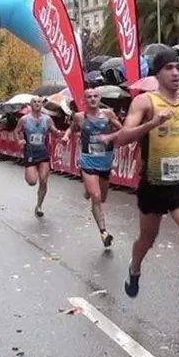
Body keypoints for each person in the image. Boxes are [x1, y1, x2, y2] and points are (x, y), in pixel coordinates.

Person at [113, 50, 179, 332]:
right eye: (169, 67)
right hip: (153, 184)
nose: (175, 72)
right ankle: (134, 268)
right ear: (157, 73)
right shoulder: (145, 102)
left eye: (178, 67)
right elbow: (123, 137)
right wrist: (151, 123)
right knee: (147, 239)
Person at [63, 88, 123, 247]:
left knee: (102, 198)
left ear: (99, 98)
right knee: (96, 196)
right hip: (88, 161)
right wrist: (66, 136)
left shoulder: (108, 115)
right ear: (84, 100)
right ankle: (104, 232)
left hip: (105, 162)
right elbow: (71, 129)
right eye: (89, 97)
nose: (93, 99)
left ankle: (88, 190)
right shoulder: (80, 117)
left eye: (95, 96)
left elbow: (122, 130)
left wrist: (112, 137)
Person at [13, 97, 61, 217]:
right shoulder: (24, 119)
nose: (37, 104)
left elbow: (53, 130)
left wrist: (58, 133)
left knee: (43, 181)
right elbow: (16, 131)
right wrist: (19, 141)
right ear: (31, 105)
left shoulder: (47, 119)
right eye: (34, 102)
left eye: (39, 102)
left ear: (41, 105)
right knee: (32, 182)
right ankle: (30, 174)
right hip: (30, 153)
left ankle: (39, 206)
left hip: (43, 153)